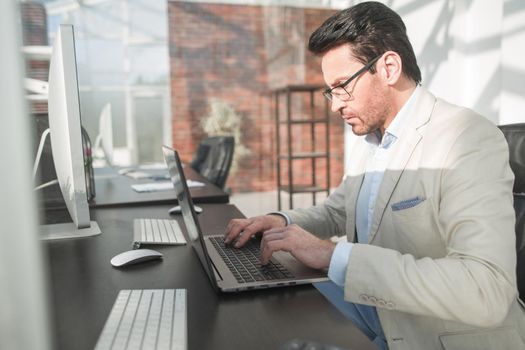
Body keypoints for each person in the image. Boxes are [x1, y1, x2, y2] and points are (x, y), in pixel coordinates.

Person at [224, 2, 525, 350]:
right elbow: (338, 211)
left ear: (389, 67)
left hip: (436, 337)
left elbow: (485, 289)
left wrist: (334, 256)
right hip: (375, 316)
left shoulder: (466, 138)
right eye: (330, 90)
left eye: (342, 85)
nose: (335, 104)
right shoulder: (376, 138)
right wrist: (279, 220)